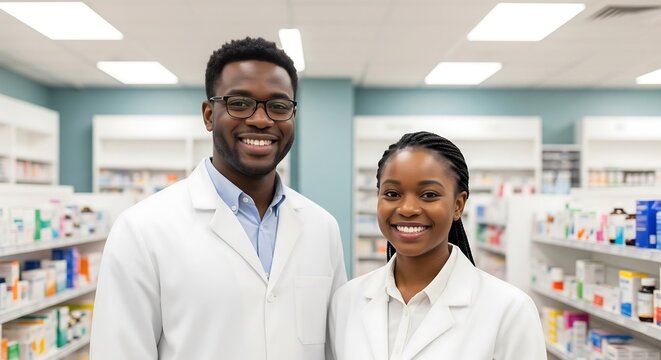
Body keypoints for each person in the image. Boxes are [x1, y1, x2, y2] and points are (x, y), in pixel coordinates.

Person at [90, 37, 347, 360]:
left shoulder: (322, 227)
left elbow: (336, 348)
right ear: (209, 114)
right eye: (240, 103)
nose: (261, 119)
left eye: (279, 106)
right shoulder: (142, 229)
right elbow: (120, 351)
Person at [329, 131, 546, 360]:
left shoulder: (509, 309)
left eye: (429, 195)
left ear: (458, 205)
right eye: (392, 193)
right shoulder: (346, 301)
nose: (407, 209)